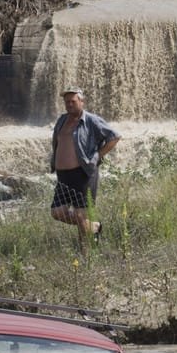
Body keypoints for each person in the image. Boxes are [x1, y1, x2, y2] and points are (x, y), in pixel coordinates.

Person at [49, 87, 120, 246]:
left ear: (82, 101)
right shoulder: (62, 120)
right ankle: (94, 227)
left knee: (81, 215)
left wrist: (97, 156)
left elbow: (114, 136)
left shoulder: (91, 120)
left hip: (83, 174)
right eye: (67, 102)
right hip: (63, 176)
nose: (69, 104)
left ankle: (85, 253)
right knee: (57, 212)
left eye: (73, 101)